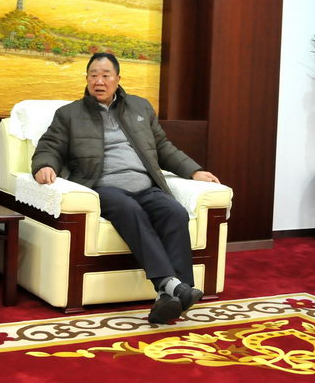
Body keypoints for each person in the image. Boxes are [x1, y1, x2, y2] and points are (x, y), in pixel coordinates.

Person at [32, 52, 220, 323]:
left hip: (146, 186)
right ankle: (174, 286)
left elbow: (163, 147)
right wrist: (44, 165)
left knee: (174, 212)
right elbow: (49, 146)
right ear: (86, 79)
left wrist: (194, 171)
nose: (99, 81)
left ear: (118, 79)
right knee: (130, 210)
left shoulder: (140, 107)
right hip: (104, 187)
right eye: (93, 75)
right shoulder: (69, 114)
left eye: (105, 75)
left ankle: (171, 297)